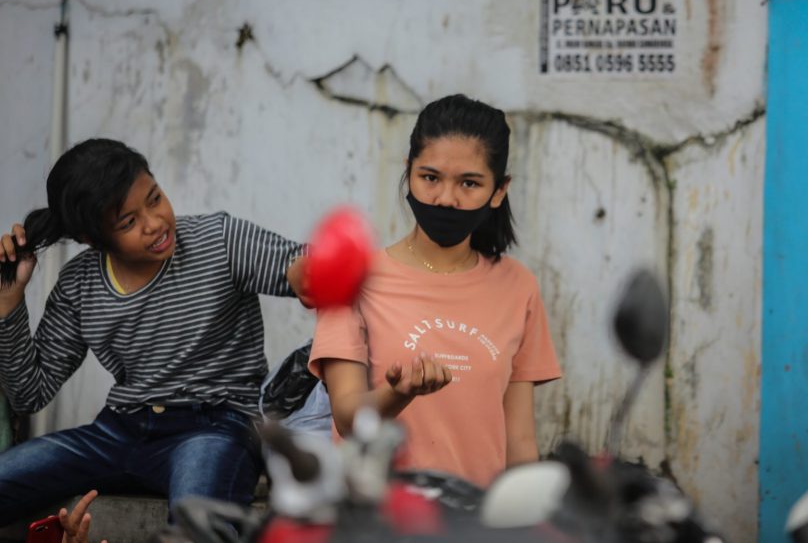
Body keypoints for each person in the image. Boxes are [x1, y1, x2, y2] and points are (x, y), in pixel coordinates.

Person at [0, 138, 310, 524]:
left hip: (217, 427)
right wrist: (9, 305)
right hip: (120, 431)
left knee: (197, 524)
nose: (155, 222)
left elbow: (305, 264)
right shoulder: (79, 284)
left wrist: (306, 276)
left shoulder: (220, 240)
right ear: (92, 240)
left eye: (155, 197)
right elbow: (30, 392)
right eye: (128, 222)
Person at [309, 94, 562, 488]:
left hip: (477, 520)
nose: (446, 198)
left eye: (469, 183)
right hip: (378, 518)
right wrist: (398, 393)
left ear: (499, 191)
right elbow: (347, 417)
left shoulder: (519, 286)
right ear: (408, 173)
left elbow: (520, 439)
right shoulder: (354, 280)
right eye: (430, 178)